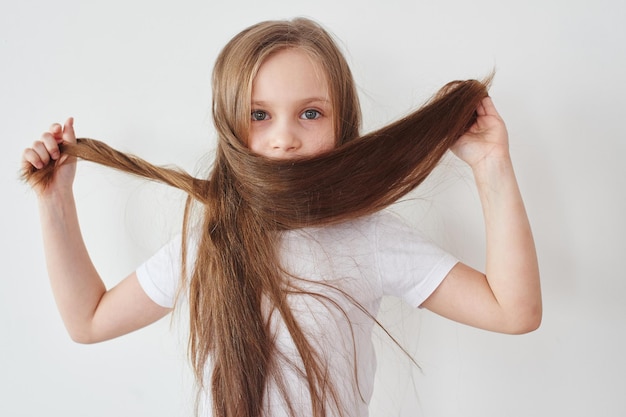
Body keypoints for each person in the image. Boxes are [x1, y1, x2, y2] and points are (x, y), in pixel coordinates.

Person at [21, 17, 541, 417]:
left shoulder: (372, 238)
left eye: (310, 113)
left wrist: (491, 165)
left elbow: (512, 311)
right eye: (259, 115)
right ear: (230, 123)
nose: (284, 136)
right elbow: (88, 321)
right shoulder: (210, 238)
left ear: (343, 124)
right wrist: (55, 201)